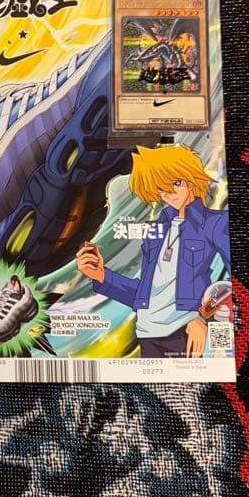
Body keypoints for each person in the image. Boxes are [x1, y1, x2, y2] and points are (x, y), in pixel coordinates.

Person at [76, 146, 230, 358]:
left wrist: (203, 318)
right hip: (147, 333)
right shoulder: (157, 229)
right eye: (161, 188)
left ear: (192, 180)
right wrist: (101, 276)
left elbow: (237, 285)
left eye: (176, 183)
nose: (169, 193)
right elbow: (146, 294)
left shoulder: (215, 223)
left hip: (185, 331)